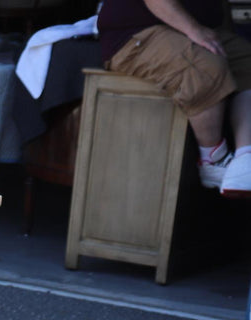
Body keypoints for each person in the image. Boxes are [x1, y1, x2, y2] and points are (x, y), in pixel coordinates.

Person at [98, 0, 251, 196]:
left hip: (190, 28)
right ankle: (213, 160)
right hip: (137, 34)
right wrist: (193, 30)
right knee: (205, 67)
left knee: (246, 60)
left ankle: (245, 157)